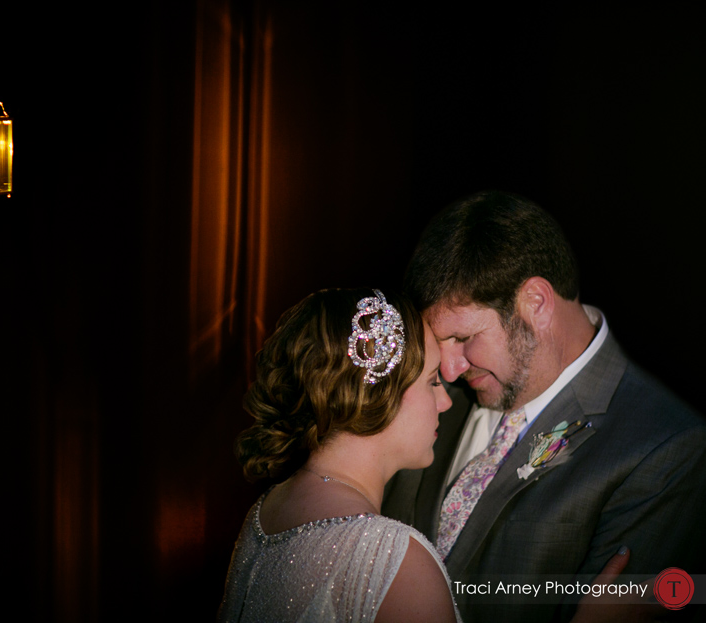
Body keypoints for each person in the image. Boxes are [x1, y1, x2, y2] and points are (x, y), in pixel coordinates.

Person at [218, 288, 639, 623]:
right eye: (433, 380)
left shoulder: (267, 512)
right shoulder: (392, 559)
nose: (447, 401)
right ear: (383, 394)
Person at [382, 191, 706, 622]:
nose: (451, 368)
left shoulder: (667, 448)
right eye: (440, 343)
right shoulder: (424, 391)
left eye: (463, 338)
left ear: (535, 303)